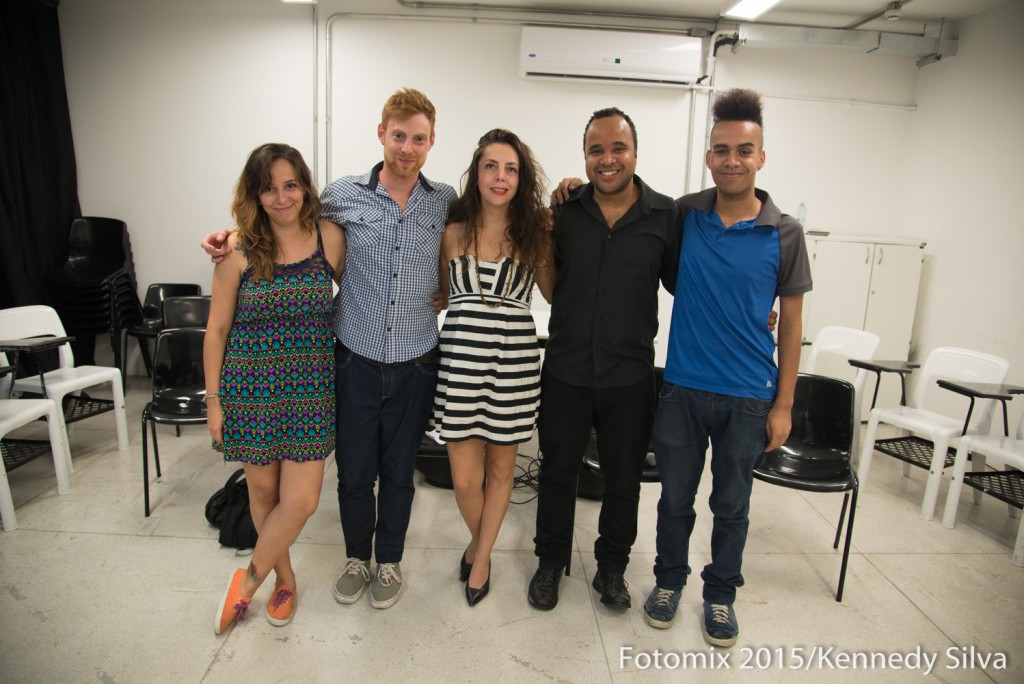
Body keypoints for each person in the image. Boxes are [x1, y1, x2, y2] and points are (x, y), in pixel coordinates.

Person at [202, 89, 456, 610]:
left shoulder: (446, 200)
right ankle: (355, 558)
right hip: (351, 357)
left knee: (401, 474)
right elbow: (279, 219)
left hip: (414, 360)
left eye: (420, 138)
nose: (408, 147)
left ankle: (389, 562)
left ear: (432, 141)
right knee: (356, 472)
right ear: (381, 133)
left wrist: (449, 286)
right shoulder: (342, 195)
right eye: (399, 135)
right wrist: (227, 234)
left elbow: (488, 224)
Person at [640, 89, 811, 648]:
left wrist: (783, 403)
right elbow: (634, 208)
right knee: (673, 501)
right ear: (708, 156)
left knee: (732, 506)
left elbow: (789, 323)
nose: (732, 159)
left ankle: (720, 596)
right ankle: (668, 583)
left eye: (744, 149)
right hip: (684, 389)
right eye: (721, 149)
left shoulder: (784, 232)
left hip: (748, 398)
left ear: (762, 157)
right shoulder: (687, 214)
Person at [528, 108, 681, 612]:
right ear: (585, 156)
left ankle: (612, 569)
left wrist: (752, 311)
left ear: (635, 153)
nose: (608, 159)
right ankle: (550, 563)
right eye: (597, 150)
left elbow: (691, 287)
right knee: (556, 473)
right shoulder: (566, 211)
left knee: (623, 482)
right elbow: (549, 289)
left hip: (629, 377)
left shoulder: (665, 216)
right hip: (567, 370)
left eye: (618, 148)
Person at [205, 143, 346, 635]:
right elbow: (216, 332)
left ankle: (246, 582)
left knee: (302, 500)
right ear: (255, 193)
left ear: (305, 186)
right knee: (263, 494)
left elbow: (361, 291)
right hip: (250, 388)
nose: (282, 197)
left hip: (310, 389)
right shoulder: (238, 250)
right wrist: (214, 402)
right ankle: (284, 580)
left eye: (290, 185)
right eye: (269, 188)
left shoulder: (330, 238)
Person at [434, 129, 555, 606]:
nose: (500, 177)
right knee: (465, 479)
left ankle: (480, 556)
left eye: (511, 169)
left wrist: (556, 232)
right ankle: (480, 541)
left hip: (514, 366)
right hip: (460, 365)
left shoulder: (534, 236)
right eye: (491, 166)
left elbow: (553, 294)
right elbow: (441, 295)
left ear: (521, 178)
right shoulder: (451, 233)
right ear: (476, 172)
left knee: (502, 470)